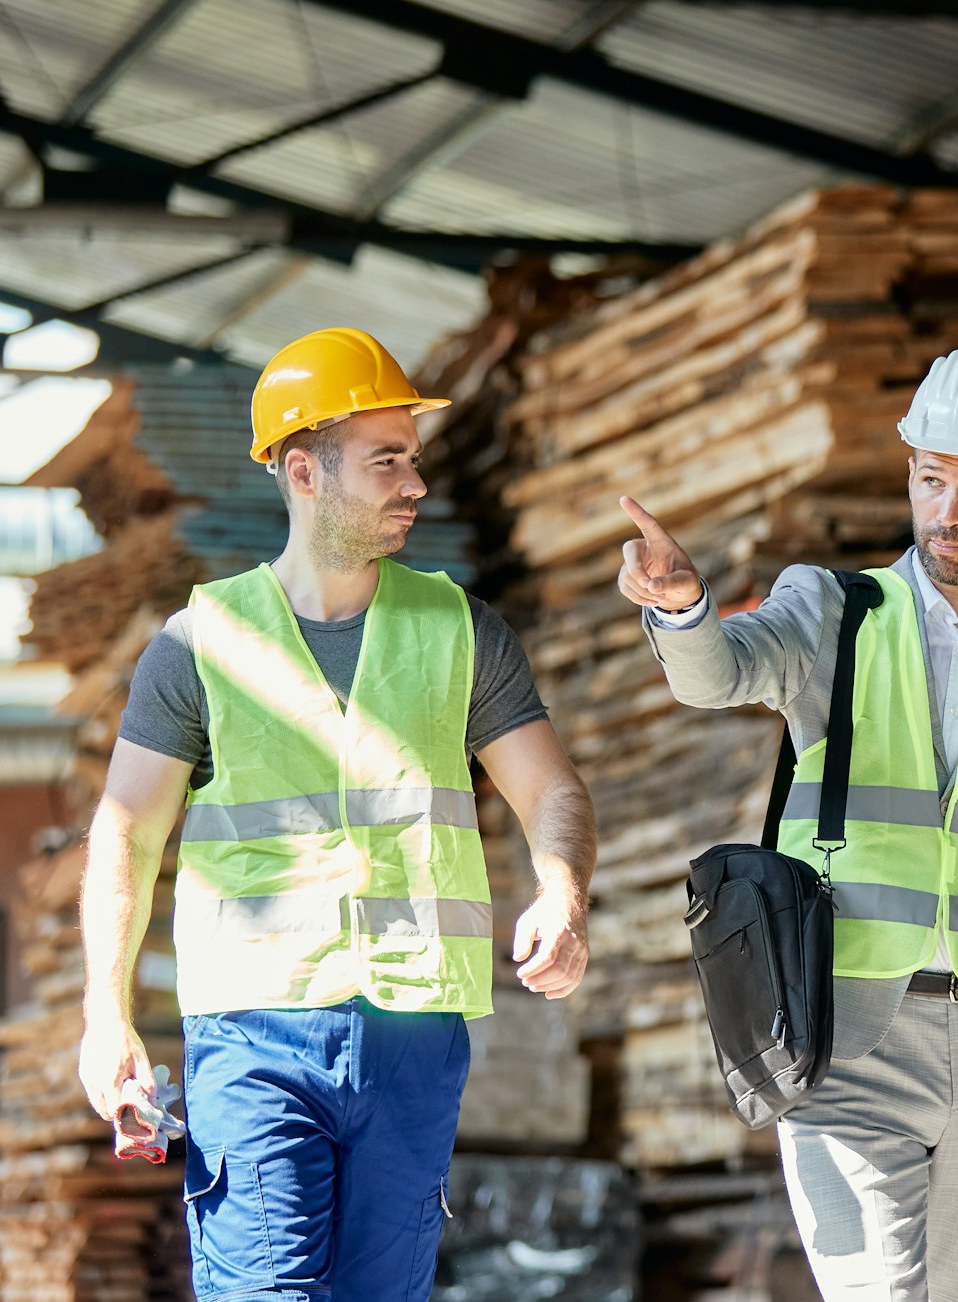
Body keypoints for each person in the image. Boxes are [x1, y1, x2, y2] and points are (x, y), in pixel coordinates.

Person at [76, 327, 597, 1301]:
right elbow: (124, 835)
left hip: (414, 1036)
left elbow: (551, 790)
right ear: (305, 470)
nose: (415, 484)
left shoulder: (462, 631)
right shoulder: (198, 645)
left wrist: (562, 893)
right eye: (386, 459)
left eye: (414, 458)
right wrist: (106, 1015)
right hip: (255, 1033)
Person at [616, 343, 958, 1301]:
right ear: (910, 472)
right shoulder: (829, 609)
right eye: (933, 479)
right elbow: (722, 674)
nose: (949, 510)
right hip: (844, 1028)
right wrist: (685, 609)